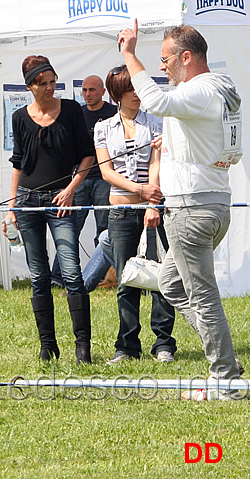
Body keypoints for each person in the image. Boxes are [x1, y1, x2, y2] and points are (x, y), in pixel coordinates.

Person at [119, 22, 243, 399]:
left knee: (202, 295)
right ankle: (227, 360)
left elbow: (156, 102)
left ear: (186, 57)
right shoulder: (217, 90)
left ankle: (224, 380)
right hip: (212, 203)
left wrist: (129, 54)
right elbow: (199, 136)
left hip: (191, 209)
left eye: (166, 60)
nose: (163, 68)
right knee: (172, 284)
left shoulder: (198, 90)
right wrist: (170, 137)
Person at [3, 55, 95, 364]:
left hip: (60, 200)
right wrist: (11, 207)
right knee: (38, 275)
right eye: (43, 83)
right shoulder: (19, 117)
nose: (50, 88)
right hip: (28, 202)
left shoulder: (69, 110)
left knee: (71, 272)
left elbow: (88, 156)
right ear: (30, 86)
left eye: (53, 82)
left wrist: (71, 189)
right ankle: (48, 346)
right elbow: (18, 164)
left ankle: (83, 347)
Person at [95, 64, 177, 365]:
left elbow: (157, 163)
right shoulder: (103, 127)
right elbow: (106, 171)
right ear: (117, 95)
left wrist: (151, 201)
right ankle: (127, 345)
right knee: (126, 280)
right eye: (130, 91)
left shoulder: (155, 121)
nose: (136, 95)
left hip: (153, 209)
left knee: (161, 278)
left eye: (138, 90)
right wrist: (138, 190)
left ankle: (164, 343)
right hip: (120, 210)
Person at [50, 75, 116, 288]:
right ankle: (57, 277)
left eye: (92, 90)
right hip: (79, 180)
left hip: (105, 180)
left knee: (104, 232)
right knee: (68, 228)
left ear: (103, 92)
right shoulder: (77, 113)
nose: (87, 94)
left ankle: (106, 278)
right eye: (84, 90)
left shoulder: (113, 114)